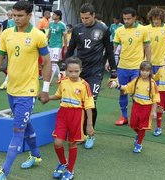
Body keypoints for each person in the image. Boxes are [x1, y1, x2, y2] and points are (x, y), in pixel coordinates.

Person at [0, 1, 52, 179]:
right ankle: (36, 156)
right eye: (14, 15)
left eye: (20, 15)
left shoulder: (38, 35)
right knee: (25, 124)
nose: (16, 18)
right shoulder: (6, 33)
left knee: (18, 130)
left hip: (28, 92)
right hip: (11, 90)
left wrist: (45, 89)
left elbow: (47, 63)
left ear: (29, 16)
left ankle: (4, 170)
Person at [64, 3, 117, 149]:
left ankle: (90, 134)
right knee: (79, 103)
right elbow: (70, 50)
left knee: (91, 103)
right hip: (79, 72)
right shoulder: (77, 29)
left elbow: (110, 51)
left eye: (87, 18)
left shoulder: (103, 29)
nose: (84, 21)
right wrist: (64, 67)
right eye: (82, 18)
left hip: (96, 71)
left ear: (94, 15)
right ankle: (80, 132)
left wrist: (113, 71)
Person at [46, 57, 94, 180]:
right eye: (70, 71)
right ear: (66, 71)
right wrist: (48, 98)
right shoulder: (63, 81)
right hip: (63, 114)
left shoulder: (84, 85)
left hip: (77, 115)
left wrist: (89, 124)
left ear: (81, 70)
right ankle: (63, 162)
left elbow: (89, 106)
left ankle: (70, 170)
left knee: (72, 143)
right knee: (57, 142)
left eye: (76, 71)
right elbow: (58, 95)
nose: (73, 74)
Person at [109, 61, 160, 153]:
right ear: (139, 70)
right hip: (136, 106)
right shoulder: (136, 80)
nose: (144, 72)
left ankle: (139, 144)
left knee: (142, 127)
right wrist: (116, 85)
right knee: (133, 125)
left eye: (146, 71)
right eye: (142, 70)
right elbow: (127, 88)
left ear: (150, 72)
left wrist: (154, 111)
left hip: (147, 108)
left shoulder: (152, 84)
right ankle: (139, 135)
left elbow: (156, 98)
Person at [113, 7, 151, 126]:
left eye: (129, 18)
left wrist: (148, 63)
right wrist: (109, 61)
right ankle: (124, 116)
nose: (126, 21)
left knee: (137, 93)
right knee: (123, 91)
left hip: (137, 67)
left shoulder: (143, 30)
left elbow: (147, 47)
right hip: (122, 66)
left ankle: (136, 116)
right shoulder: (119, 31)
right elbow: (114, 47)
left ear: (135, 18)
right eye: (124, 19)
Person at [146, 7, 165, 74]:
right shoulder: (145, 29)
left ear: (162, 19)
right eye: (154, 19)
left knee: (161, 84)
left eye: (158, 19)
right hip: (149, 62)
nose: (156, 21)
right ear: (151, 19)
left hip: (163, 62)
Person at [48, 10, 67, 83]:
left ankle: (49, 81)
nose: (52, 16)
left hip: (57, 46)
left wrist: (65, 47)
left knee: (54, 62)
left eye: (54, 15)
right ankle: (61, 74)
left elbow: (65, 37)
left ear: (58, 16)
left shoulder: (62, 25)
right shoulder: (51, 23)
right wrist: (46, 41)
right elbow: (49, 34)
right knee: (50, 62)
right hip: (50, 45)